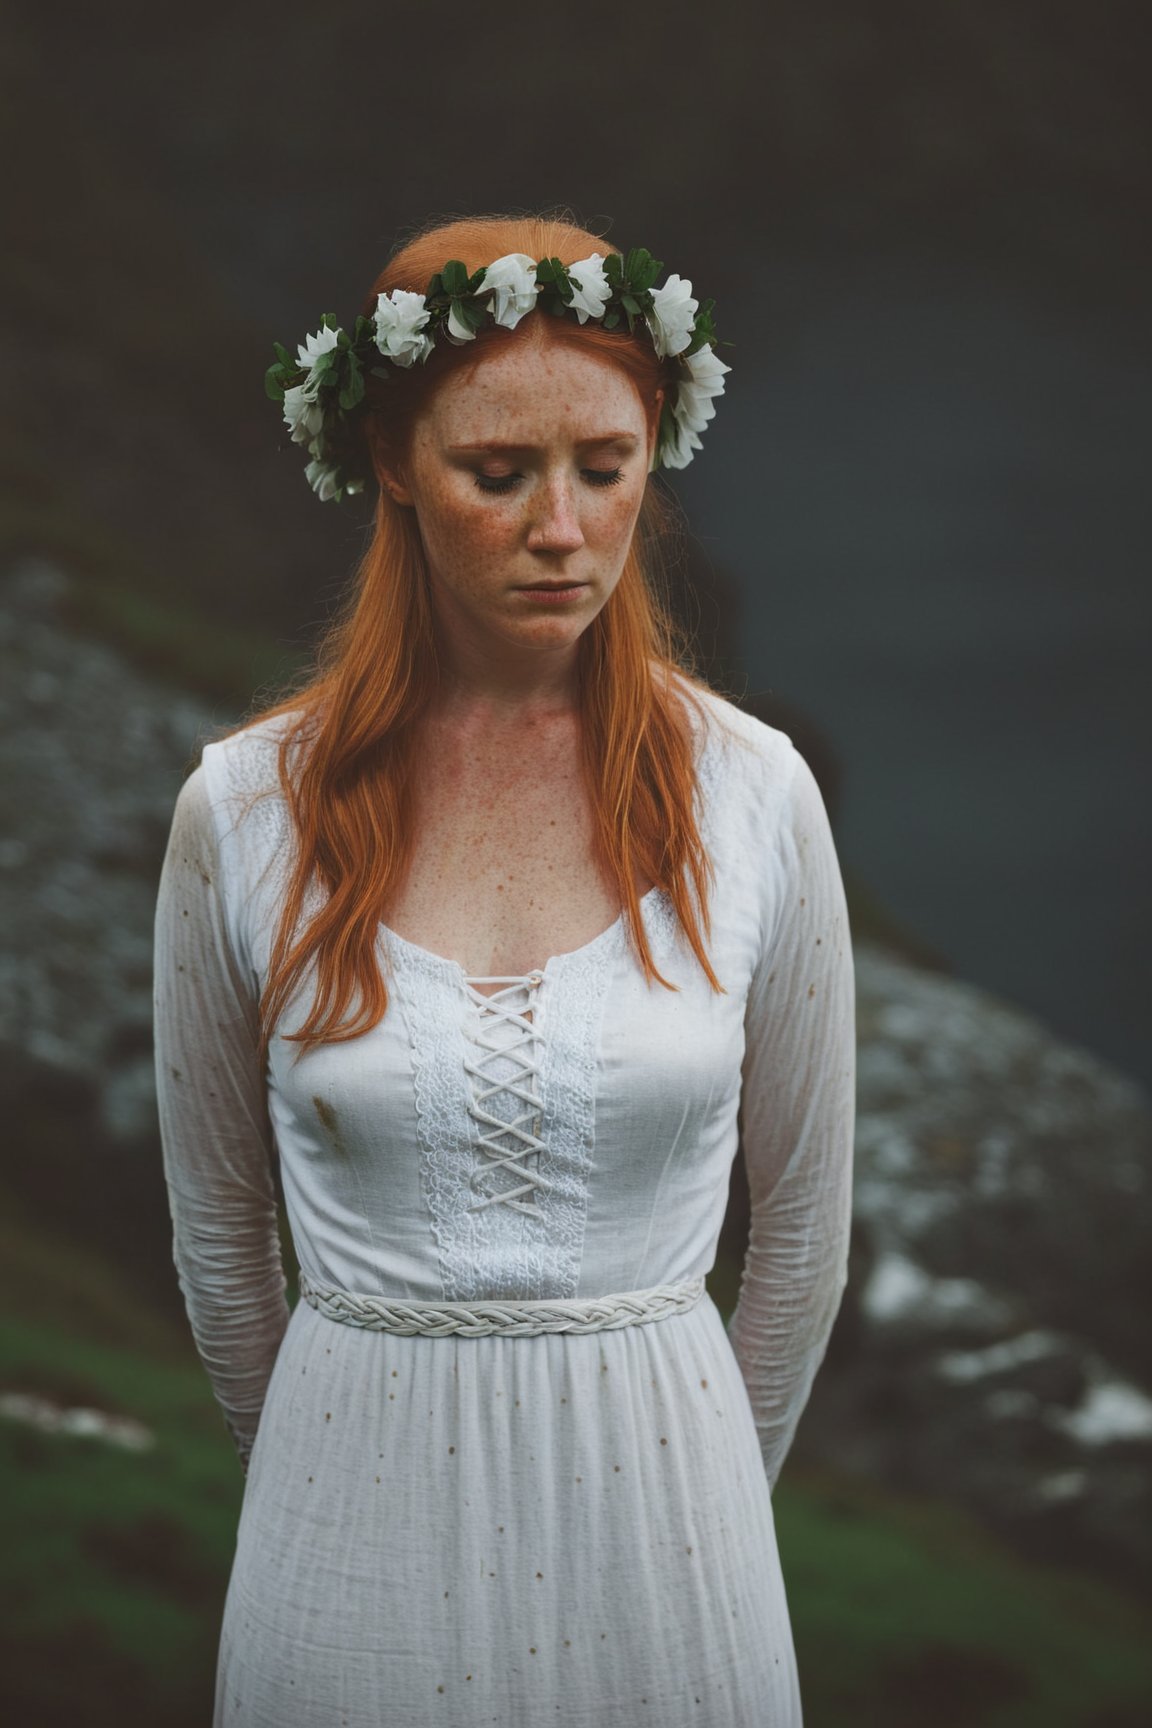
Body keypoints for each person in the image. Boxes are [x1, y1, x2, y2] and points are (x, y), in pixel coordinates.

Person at [153, 212, 856, 1727]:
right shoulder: (244, 808)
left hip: (678, 1546)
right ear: (395, 464)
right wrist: (322, 1495)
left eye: (606, 469)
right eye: (500, 474)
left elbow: (801, 1233)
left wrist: (708, 1505)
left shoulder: (756, 792)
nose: (563, 529)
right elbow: (220, 1238)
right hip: (344, 1542)